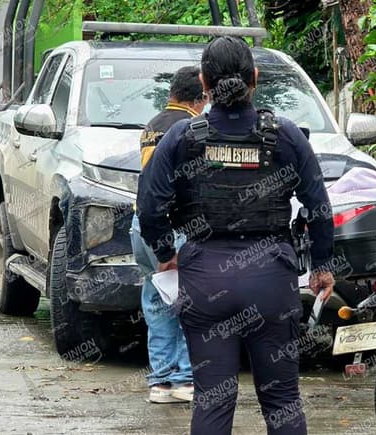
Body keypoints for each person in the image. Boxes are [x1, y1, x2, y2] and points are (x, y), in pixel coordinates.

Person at [136, 36, 335, 435]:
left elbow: (149, 207)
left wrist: (164, 254)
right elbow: (318, 207)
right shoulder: (286, 135)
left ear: (204, 83)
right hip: (271, 279)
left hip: (205, 279)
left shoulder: (181, 138)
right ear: (255, 79)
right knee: (281, 401)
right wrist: (322, 266)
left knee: (213, 401)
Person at [130, 65, 207, 404]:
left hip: (142, 226)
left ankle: (160, 382)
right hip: (174, 227)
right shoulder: (189, 127)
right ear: (200, 98)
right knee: (190, 304)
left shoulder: (151, 126)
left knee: (157, 302)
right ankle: (185, 380)